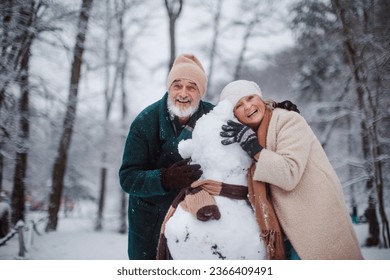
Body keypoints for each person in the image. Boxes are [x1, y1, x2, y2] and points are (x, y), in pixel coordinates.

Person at [119, 54, 300, 260]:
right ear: (169, 88)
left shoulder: (212, 116)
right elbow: (128, 178)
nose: (183, 93)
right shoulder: (145, 122)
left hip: (195, 218)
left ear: (200, 92)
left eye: (192, 87)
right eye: (177, 86)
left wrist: (273, 113)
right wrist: (165, 178)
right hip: (152, 216)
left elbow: (245, 123)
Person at [219, 80, 364, 260]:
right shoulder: (246, 136)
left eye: (250, 98)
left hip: (315, 222)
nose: (248, 106)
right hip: (287, 229)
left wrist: (254, 148)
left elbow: (289, 174)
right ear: (234, 115)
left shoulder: (288, 121)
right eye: (239, 105)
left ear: (261, 98)